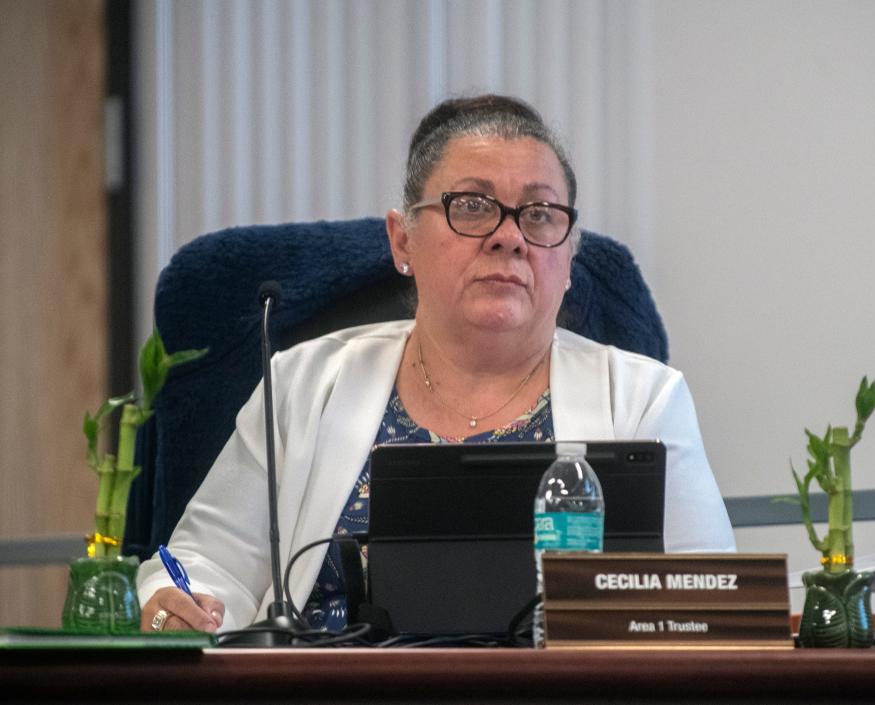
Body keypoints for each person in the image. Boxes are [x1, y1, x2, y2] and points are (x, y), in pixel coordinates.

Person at [137, 94, 735, 634]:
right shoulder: (303, 383)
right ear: (402, 241)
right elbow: (205, 565)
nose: (510, 237)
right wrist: (176, 603)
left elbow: (712, 609)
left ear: (570, 257)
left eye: (540, 214)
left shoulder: (645, 400)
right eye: (472, 207)